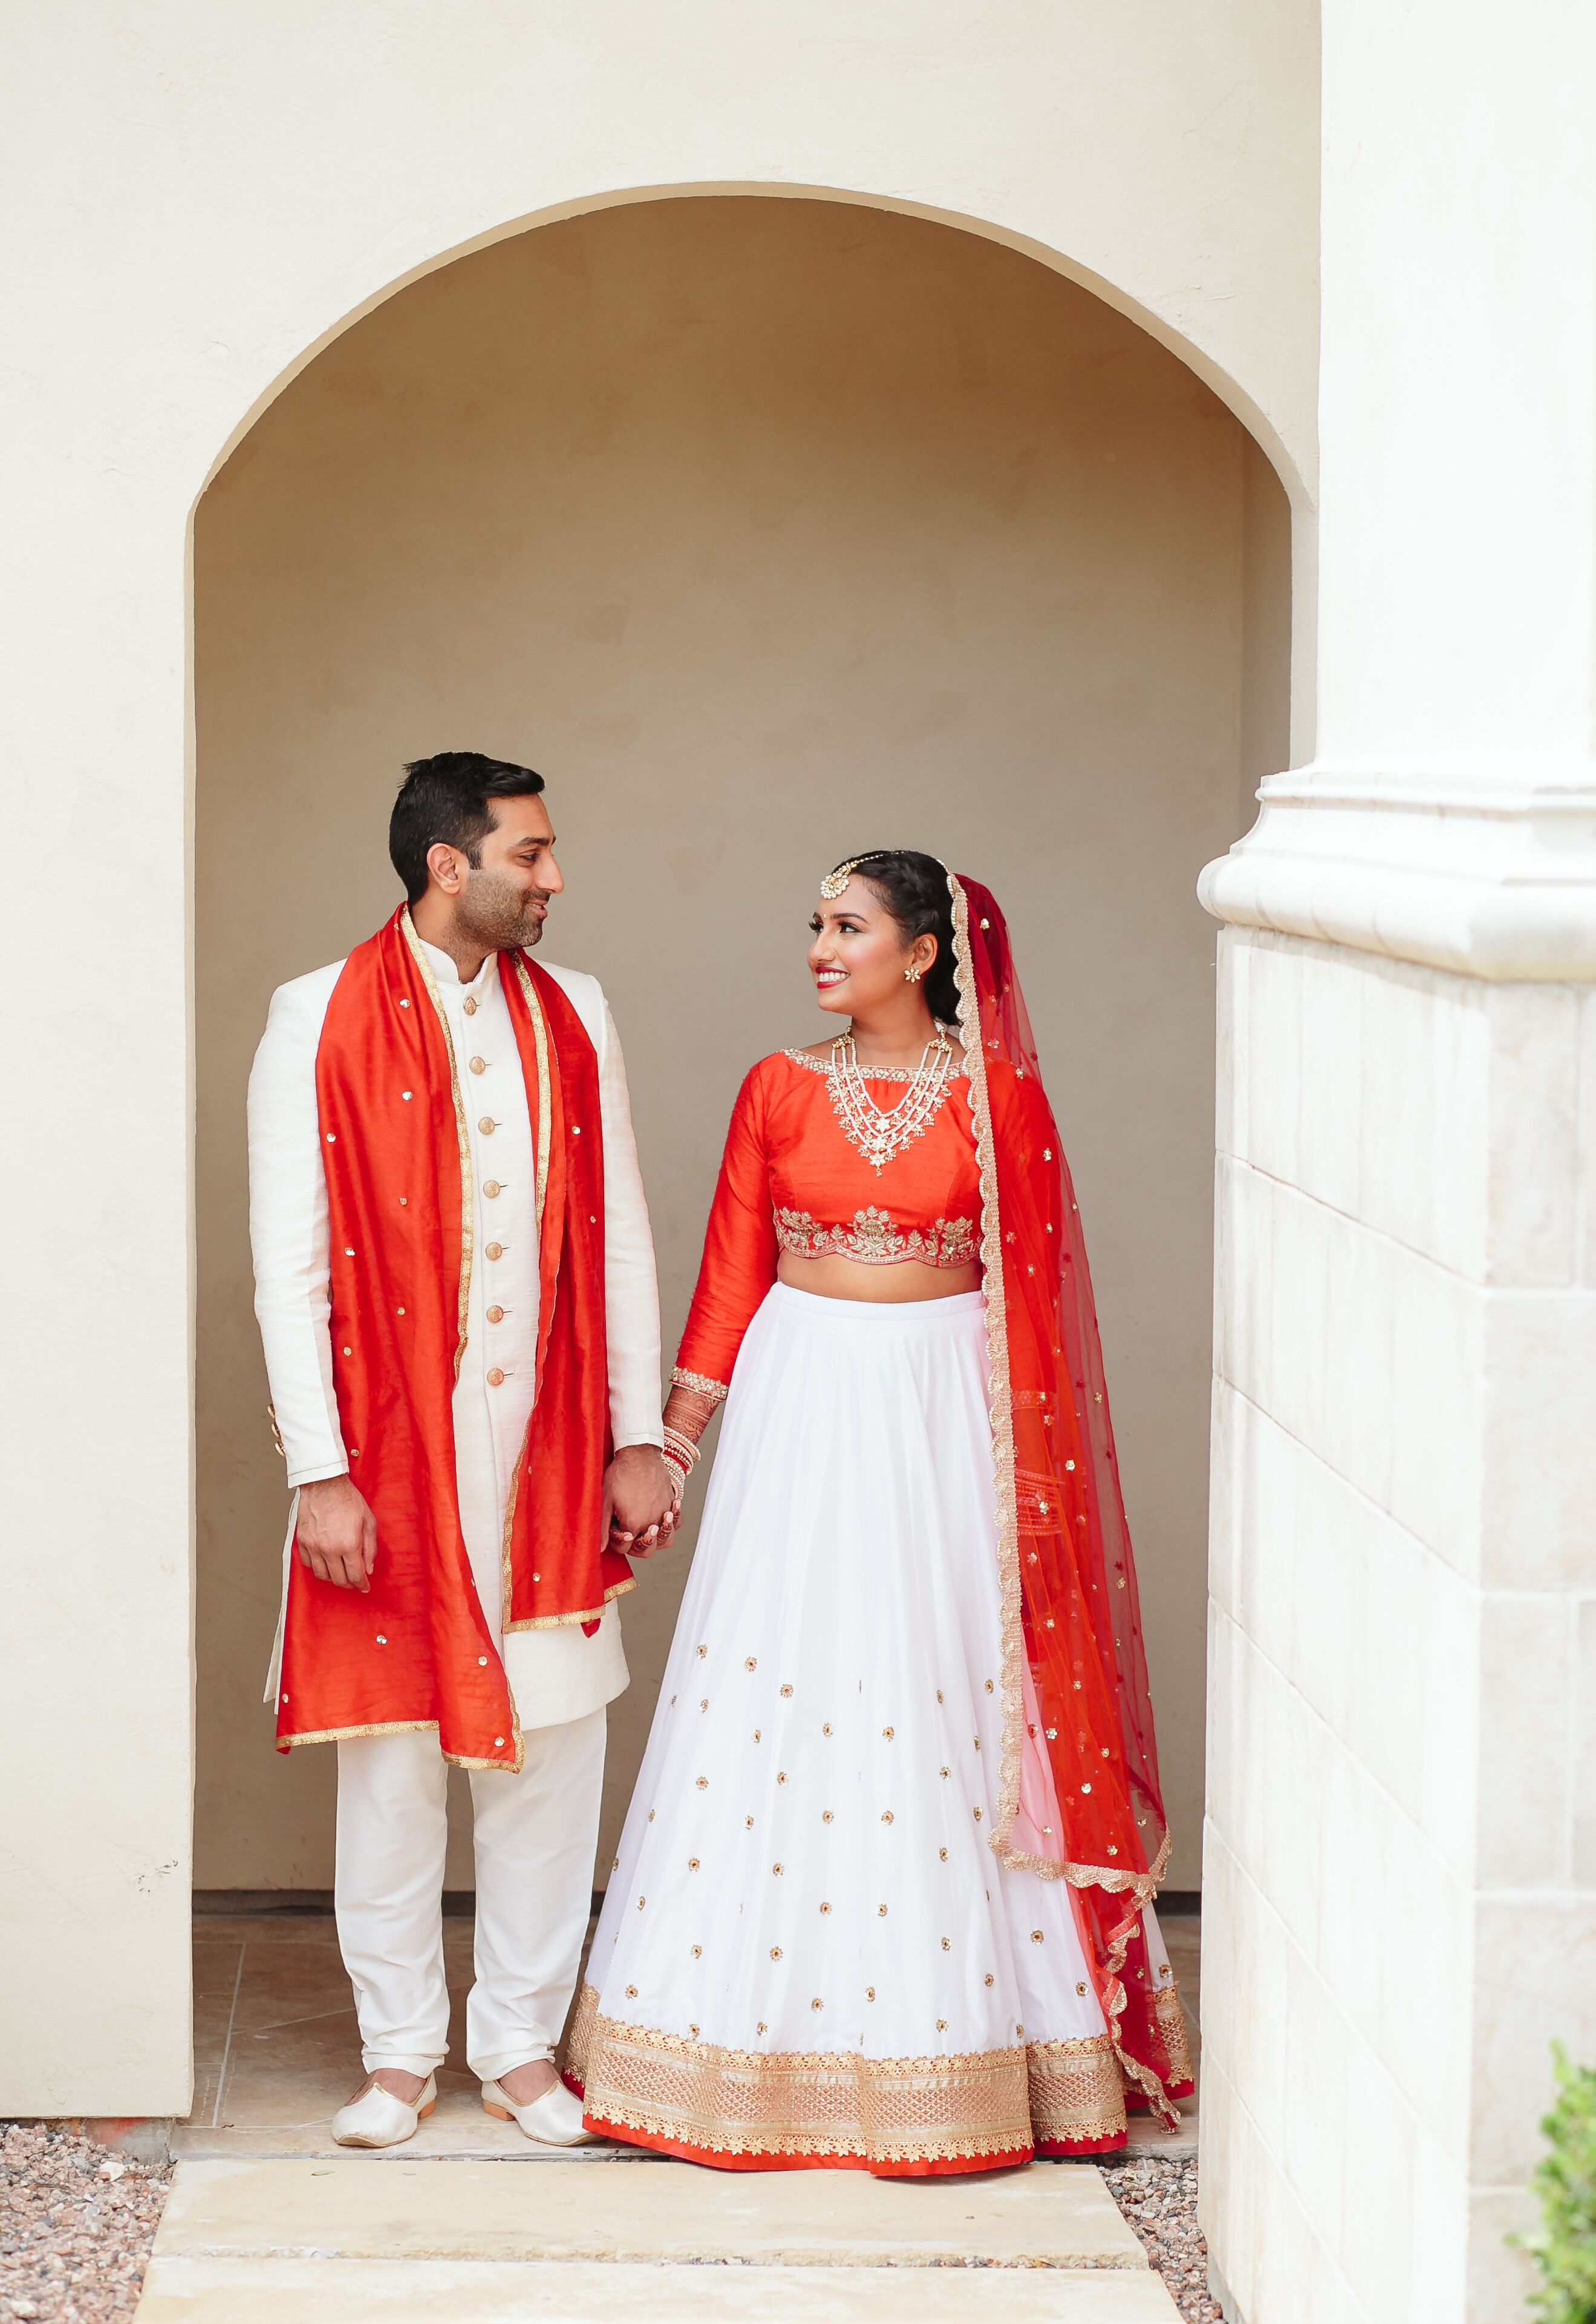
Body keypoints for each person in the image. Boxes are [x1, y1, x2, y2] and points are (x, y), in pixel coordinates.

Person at [565, 850, 1192, 2173]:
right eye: (815, 921)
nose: (818, 944)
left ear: (922, 953)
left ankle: (967, 2050)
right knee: (781, 1681)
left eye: (848, 925)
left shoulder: (1000, 1094)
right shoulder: (778, 1085)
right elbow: (733, 1268)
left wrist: (1032, 1483)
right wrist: (672, 1446)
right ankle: (721, 2047)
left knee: (936, 1679)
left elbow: (1039, 1300)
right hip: (803, 1401)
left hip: (940, 1415)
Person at [248, 751, 676, 2151]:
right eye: (531, 855)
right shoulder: (314, 1016)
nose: (552, 878)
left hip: (544, 1456)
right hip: (388, 1459)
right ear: (450, 864)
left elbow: (620, 1241)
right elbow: (289, 1271)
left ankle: (519, 2044)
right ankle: (396, 2053)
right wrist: (319, 1466)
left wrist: (637, 1435)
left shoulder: (579, 1016)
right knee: (389, 1762)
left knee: (553, 1753)